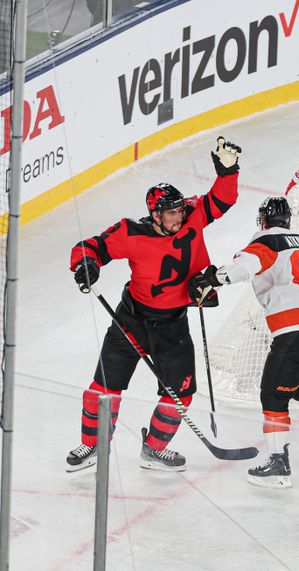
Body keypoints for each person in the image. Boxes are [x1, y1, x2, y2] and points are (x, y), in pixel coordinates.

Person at [65, 137, 242, 473]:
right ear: (155, 214)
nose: (179, 216)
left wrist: (229, 171)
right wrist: (85, 265)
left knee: (181, 395)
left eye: (179, 209)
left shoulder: (192, 215)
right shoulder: (131, 233)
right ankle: (92, 446)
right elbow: (90, 247)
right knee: (102, 388)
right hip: (131, 319)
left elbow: (222, 199)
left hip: (172, 323)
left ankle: (154, 450)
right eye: (171, 212)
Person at [191, 196, 299, 489]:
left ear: (263, 221)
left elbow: (238, 271)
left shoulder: (265, 244)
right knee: (297, 388)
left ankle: (278, 464)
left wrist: (211, 280)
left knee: (273, 397)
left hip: (296, 332)